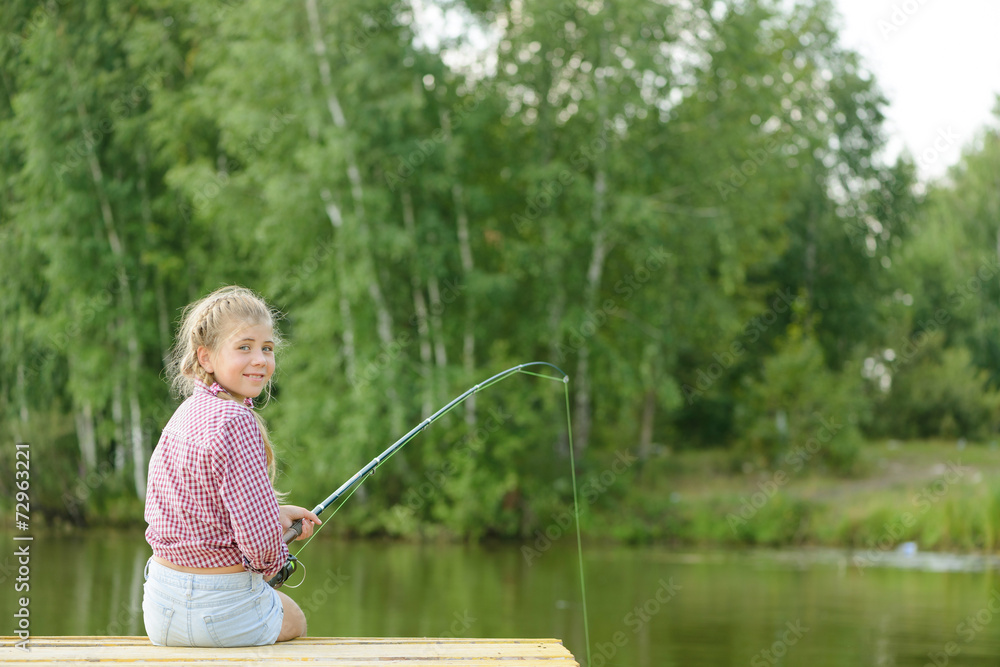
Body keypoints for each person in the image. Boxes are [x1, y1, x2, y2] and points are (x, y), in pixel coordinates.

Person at [142, 285, 322, 647]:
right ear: (206, 358)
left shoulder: (184, 414)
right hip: (219, 611)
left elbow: (192, 511)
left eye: (267, 348)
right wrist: (277, 559)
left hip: (160, 612)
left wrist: (275, 514)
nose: (260, 359)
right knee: (295, 617)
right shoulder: (235, 420)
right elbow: (259, 547)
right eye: (244, 347)